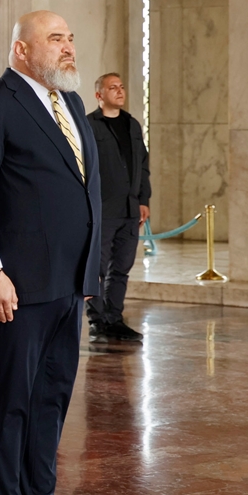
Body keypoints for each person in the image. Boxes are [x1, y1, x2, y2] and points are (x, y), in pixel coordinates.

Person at [0, 9, 109, 495]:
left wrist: (87, 273)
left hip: (67, 283)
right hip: (16, 285)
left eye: (70, 37)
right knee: (14, 403)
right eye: (55, 38)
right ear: (22, 49)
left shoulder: (71, 103)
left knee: (52, 400)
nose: (68, 47)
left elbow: (83, 189)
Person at [86, 73, 150, 342]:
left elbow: (143, 165)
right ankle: (97, 319)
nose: (120, 91)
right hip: (102, 209)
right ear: (99, 95)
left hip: (130, 209)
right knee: (98, 267)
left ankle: (114, 318)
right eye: (112, 88)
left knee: (122, 267)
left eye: (121, 87)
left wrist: (144, 200)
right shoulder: (88, 125)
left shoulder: (132, 125)